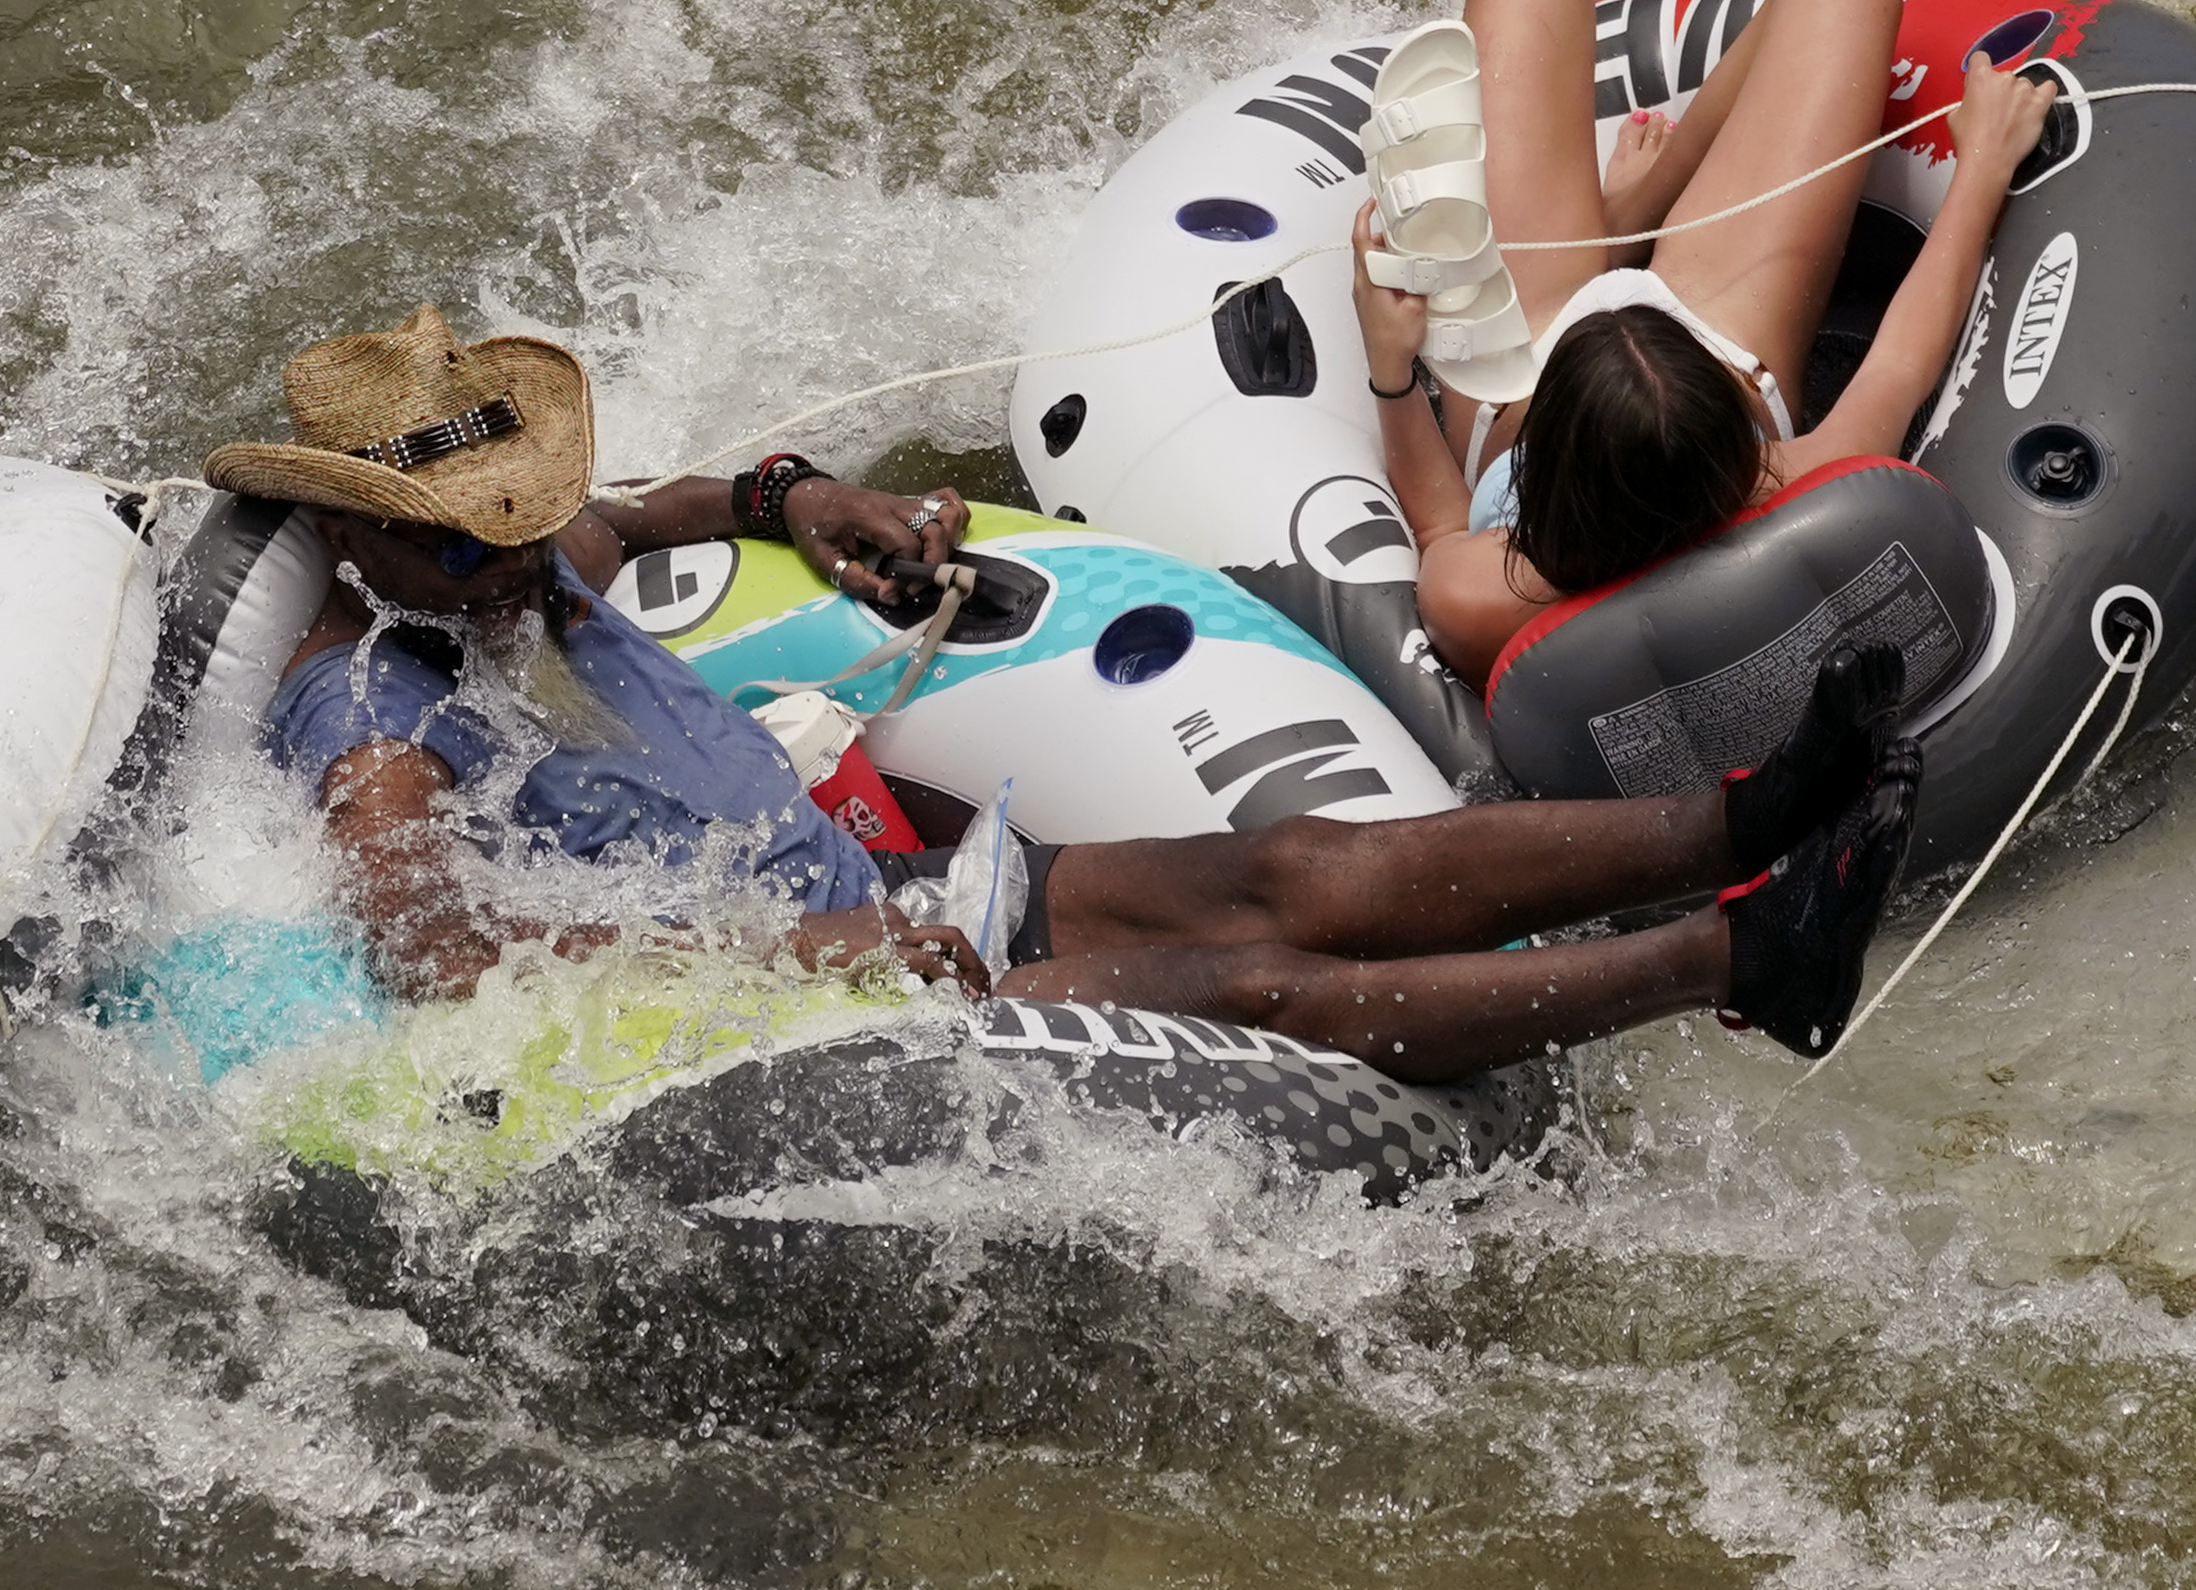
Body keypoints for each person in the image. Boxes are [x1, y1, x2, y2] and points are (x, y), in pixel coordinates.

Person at [203, 305, 1923, 1072]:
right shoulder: (373, 717)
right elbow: (438, 954)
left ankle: (1746, 815)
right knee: (1245, 980)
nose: (513, 562)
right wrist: (796, 957)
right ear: (356, 536)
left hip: (873, 885)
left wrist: (814, 500)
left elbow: (673, 505)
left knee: (1303, 864)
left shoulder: (517, 576)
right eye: (464, 545)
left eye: (513, 524)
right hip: (789, 998)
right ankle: (1738, 961)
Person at [1358, 0, 2058, 684]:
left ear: (1541, 474)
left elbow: (1438, 512)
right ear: (1741, 456)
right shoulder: (1797, 482)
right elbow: (1900, 359)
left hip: (1517, 363)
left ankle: (1629, 218)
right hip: (1723, 325)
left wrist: (1390, 369)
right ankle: (1626, 222)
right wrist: (1983, 170)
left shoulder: (1479, 593)